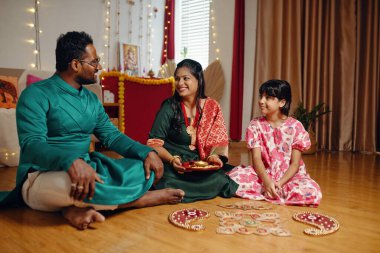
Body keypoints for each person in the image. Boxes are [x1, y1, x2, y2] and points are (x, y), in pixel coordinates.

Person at [0, 31, 184, 230]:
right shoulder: (35, 94)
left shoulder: (91, 100)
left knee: (140, 168)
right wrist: (70, 161)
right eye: (94, 62)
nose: (99, 67)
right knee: (71, 184)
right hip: (42, 175)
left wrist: (146, 152)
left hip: (88, 169)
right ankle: (137, 200)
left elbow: (112, 136)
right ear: (75, 64)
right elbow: (32, 146)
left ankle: (70, 209)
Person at [147, 59, 238, 203]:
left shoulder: (212, 106)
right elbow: (154, 143)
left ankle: (182, 191)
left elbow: (219, 141)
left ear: (199, 80)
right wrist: (172, 159)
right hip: (173, 164)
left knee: (220, 178)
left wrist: (215, 158)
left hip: (198, 164)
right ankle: (170, 191)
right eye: (177, 79)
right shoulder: (169, 106)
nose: (180, 83)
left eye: (186, 78)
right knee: (162, 176)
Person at [227, 80, 322, 206]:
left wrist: (279, 183)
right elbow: (256, 159)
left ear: (282, 102)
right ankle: (274, 192)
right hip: (262, 174)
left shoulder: (296, 127)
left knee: (312, 191)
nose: (261, 101)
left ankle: (274, 191)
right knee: (233, 179)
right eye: (261, 96)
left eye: (268, 98)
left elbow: (295, 164)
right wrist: (267, 182)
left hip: (289, 177)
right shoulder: (255, 125)